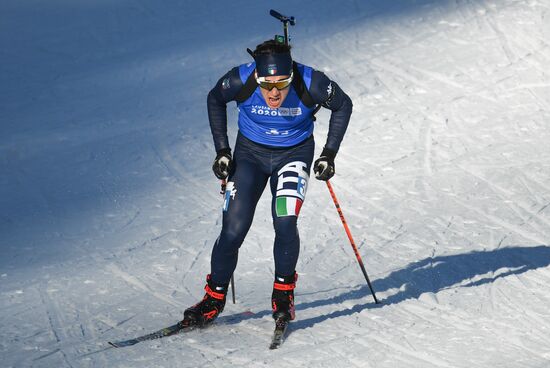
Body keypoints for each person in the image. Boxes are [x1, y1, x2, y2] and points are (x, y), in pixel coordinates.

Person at [183, 38, 353, 326]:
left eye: (282, 84)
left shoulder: (311, 82)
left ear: (291, 76)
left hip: (294, 154)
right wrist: (223, 150)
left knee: (285, 221)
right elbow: (215, 98)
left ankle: (283, 296)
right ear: (257, 76)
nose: (274, 92)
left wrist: (329, 154)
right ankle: (213, 298)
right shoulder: (240, 78)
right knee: (232, 232)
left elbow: (343, 105)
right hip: (250, 156)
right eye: (266, 84)